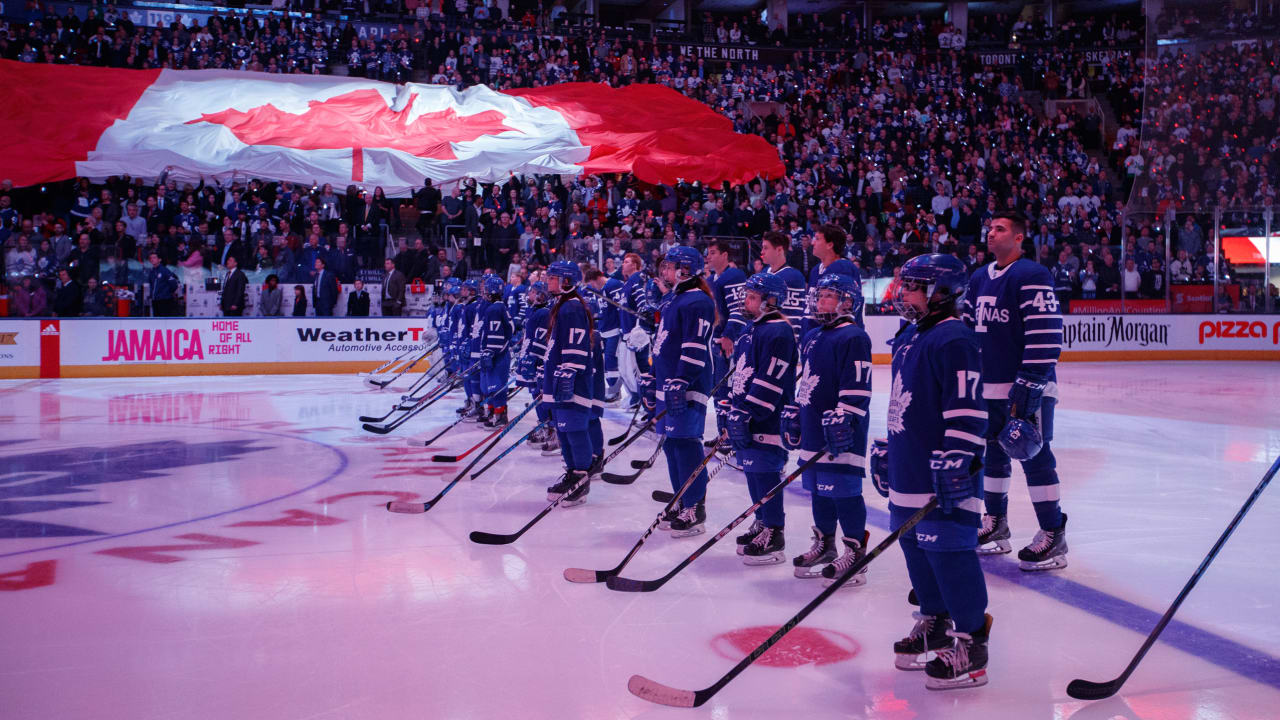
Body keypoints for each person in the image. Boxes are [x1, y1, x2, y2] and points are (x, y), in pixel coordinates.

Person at [883, 252, 992, 690]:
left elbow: (967, 410)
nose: (903, 294)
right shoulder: (912, 335)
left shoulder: (954, 339)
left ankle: (972, 642)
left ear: (940, 292)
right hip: (910, 469)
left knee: (949, 552)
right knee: (915, 549)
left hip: (943, 475)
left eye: (913, 286)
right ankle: (935, 621)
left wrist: (958, 458)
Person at [963, 211, 1068, 571]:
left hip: (1026, 386)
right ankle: (995, 524)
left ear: (1020, 237)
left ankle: (1053, 533)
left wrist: (1030, 383)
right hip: (987, 386)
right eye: (990, 228)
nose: (991, 234)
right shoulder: (979, 277)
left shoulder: (1032, 275)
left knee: (1034, 455)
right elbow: (967, 329)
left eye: (1000, 229)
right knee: (993, 454)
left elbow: (1047, 332)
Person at [786, 273, 873, 586]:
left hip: (840, 432)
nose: (820, 301)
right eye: (819, 295)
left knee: (844, 490)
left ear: (846, 301)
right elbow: (808, 379)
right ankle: (825, 544)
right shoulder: (814, 335)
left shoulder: (853, 336)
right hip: (813, 425)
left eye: (827, 296)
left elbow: (858, 386)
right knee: (818, 488)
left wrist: (845, 417)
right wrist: (797, 409)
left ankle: (855, 552)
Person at [722, 271, 797, 565]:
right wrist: (731, 408)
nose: (747, 302)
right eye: (747, 296)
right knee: (752, 471)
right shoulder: (751, 329)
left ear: (771, 301)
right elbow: (742, 373)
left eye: (753, 297)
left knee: (765, 472)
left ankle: (774, 533)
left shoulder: (778, 331)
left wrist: (748, 412)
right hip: (746, 416)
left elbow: (771, 379)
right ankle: (762, 521)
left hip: (767, 418)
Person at [648, 246, 717, 537]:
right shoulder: (674, 298)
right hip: (669, 381)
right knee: (672, 444)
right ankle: (680, 499)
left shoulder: (698, 300)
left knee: (687, 444)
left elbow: (694, 345)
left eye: (671, 265)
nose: (665, 270)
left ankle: (694, 507)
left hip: (688, 383)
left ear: (686, 269)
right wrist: (652, 379)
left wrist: (682, 379)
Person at [541, 260, 597, 506]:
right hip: (559, 377)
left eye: (553, 277)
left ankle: (581, 478)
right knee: (563, 430)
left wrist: (568, 372)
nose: (548, 281)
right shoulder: (561, 306)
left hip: (573, 380)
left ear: (566, 281)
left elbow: (577, 344)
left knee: (574, 429)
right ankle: (572, 473)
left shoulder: (572, 308)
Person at [706, 239, 747, 443]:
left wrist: (730, 335)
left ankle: (732, 434)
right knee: (719, 387)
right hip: (717, 340)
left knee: (729, 387)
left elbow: (739, 309)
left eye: (714, 252)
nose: (710, 256)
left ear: (725, 255)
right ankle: (723, 433)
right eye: (709, 253)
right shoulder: (713, 279)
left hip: (730, 342)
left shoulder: (733, 276)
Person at [516, 281, 554, 451]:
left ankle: (549, 428)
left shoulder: (545, 312)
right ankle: (544, 425)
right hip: (530, 359)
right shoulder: (535, 311)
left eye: (532, 291)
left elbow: (543, 338)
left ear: (541, 295)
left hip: (538, 362)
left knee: (540, 394)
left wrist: (534, 358)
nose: (529, 294)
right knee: (534, 393)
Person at [618, 252, 655, 411]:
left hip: (637, 334)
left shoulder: (637, 278)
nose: (623, 264)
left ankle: (647, 402)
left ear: (634, 265)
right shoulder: (627, 283)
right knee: (627, 370)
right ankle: (636, 398)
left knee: (640, 370)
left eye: (626, 262)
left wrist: (643, 314)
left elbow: (642, 301)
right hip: (626, 332)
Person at [478, 274, 513, 428]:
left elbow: (497, 334)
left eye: (486, 289)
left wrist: (490, 351)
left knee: (495, 386)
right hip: (500, 354)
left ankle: (499, 416)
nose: (484, 292)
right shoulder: (499, 307)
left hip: (497, 355)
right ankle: (495, 413)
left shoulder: (494, 308)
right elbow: (510, 329)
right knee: (493, 385)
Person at [760, 231, 808, 338]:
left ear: (779, 250)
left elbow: (794, 317)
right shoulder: (764, 272)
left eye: (766, 248)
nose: (762, 252)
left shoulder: (793, 277)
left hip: (779, 338)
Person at [147, 252, 180, 317]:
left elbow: (174, 284)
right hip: (155, 300)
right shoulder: (151, 272)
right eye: (151, 258)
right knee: (157, 322)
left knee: (165, 321)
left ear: (159, 259)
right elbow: (151, 285)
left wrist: (167, 293)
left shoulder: (164, 270)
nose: (152, 259)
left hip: (164, 301)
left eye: (154, 257)